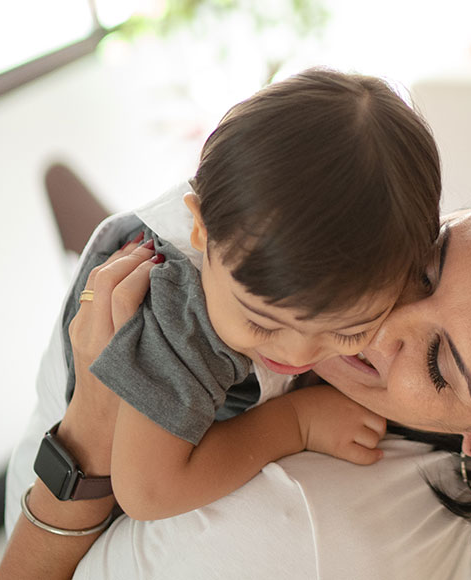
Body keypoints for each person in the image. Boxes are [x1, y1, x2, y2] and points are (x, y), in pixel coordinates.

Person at [0, 178, 471, 580]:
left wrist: (91, 427)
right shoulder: (434, 432)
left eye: (436, 362)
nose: (373, 325)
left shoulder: (289, 531)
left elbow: (146, 489)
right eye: (428, 261)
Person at [37, 66, 442, 523]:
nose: (298, 352)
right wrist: (296, 422)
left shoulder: (361, 269)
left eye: (348, 331)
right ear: (201, 228)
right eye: (262, 322)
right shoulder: (184, 314)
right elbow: (147, 491)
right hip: (69, 471)